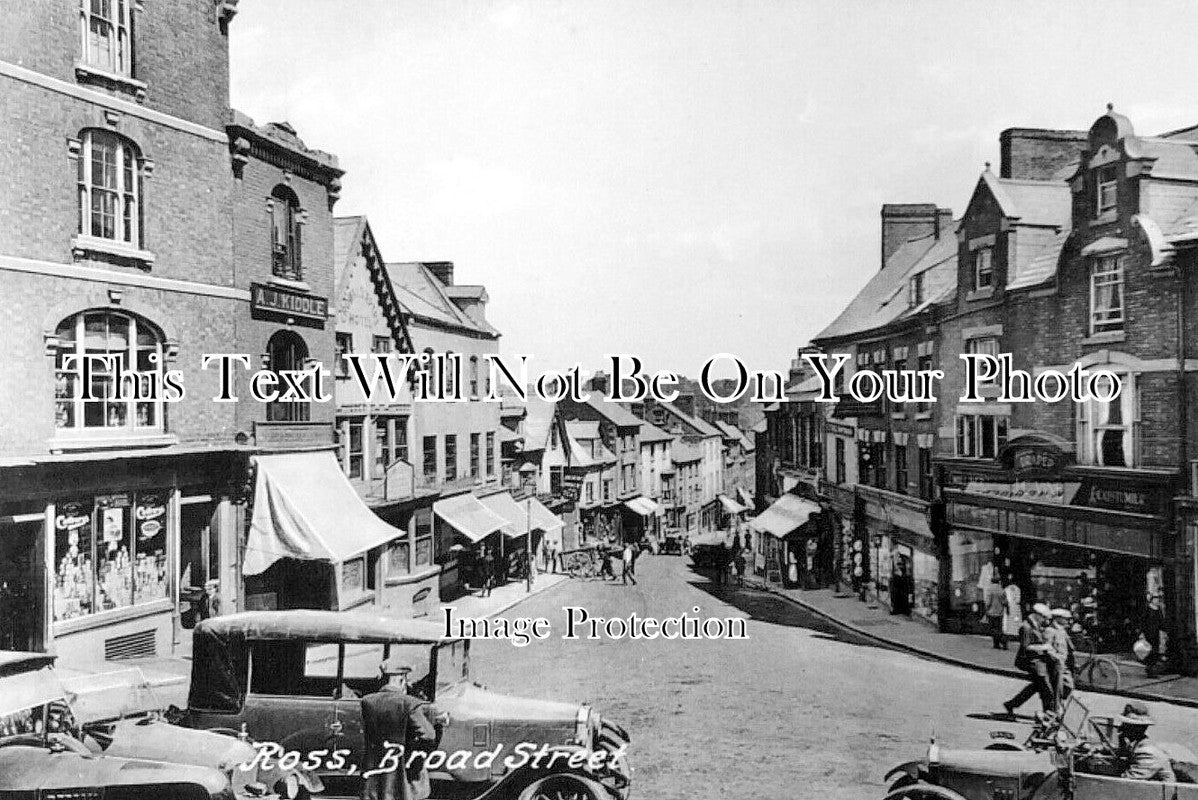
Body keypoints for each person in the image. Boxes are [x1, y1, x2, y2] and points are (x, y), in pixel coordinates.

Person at [360, 659, 439, 800]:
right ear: (401, 680)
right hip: (402, 776)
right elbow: (428, 735)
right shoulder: (408, 703)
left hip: (375, 774)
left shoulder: (367, 702)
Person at [1003, 602, 1055, 717]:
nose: (1045, 621)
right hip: (1030, 661)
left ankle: (1012, 704)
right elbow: (1026, 647)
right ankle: (1049, 713)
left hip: (1037, 661)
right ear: (1038, 615)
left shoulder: (1035, 625)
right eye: (1044, 618)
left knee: (1037, 686)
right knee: (1046, 687)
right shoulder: (1026, 627)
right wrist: (1044, 647)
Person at [1115, 702, 1175, 782]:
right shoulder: (1139, 746)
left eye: (1125, 725)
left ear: (1136, 729)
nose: (1120, 728)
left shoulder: (1147, 753)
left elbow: (1125, 782)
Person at [1045, 608, 1077, 706]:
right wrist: (1056, 658)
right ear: (1058, 618)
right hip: (1055, 664)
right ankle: (1056, 710)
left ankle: (1057, 706)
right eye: (1066, 618)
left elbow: (1069, 646)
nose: (1068, 621)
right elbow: (1047, 648)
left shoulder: (1062, 630)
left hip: (1065, 665)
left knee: (1069, 686)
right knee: (1057, 690)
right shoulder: (1050, 630)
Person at [1141, 595, 1166, 678]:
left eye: (1158, 599)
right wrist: (1142, 633)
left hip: (1155, 633)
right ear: (1152, 600)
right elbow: (1143, 621)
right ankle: (1150, 671)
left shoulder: (1158, 609)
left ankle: (1153, 671)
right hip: (1148, 633)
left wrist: (1165, 630)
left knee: (1155, 651)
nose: (1157, 601)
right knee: (1149, 651)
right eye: (1155, 599)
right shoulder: (1147, 609)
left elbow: (1161, 622)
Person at [984, 575, 1009, 650]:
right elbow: (1005, 601)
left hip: (991, 612)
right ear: (999, 582)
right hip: (1000, 612)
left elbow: (988, 602)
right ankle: (997, 644)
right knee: (998, 628)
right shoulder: (1001, 590)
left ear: (992, 581)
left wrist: (986, 609)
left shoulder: (989, 589)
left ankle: (1001, 641)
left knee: (992, 628)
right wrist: (1007, 608)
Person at [1003, 575, 1023, 641]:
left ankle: (1008, 634)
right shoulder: (1017, 589)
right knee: (1016, 621)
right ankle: (1016, 634)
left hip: (1008, 607)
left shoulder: (1006, 589)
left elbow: (1005, 600)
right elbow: (1018, 600)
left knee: (1008, 621)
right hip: (1016, 607)